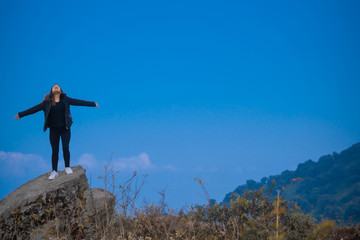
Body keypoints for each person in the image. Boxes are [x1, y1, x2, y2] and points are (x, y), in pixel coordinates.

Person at [14, 84, 99, 180]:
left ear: (61, 90)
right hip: (53, 130)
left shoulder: (66, 99)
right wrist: (21, 114)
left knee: (65, 147)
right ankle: (54, 171)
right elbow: (34, 109)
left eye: (58, 86)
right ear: (51, 90)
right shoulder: (46, 103)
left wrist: (92, 104)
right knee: (55, 151)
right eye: (54, 86)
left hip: (65, 128)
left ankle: (67, 167)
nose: (56, 87)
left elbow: (79, 102)